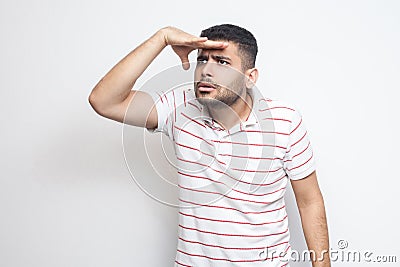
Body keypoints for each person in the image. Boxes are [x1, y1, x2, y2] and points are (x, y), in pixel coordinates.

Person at [88, 24, 331, 267]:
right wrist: (161, 38)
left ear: (250, 77)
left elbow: (310, 201)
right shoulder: (179, 106)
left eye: (222, 62)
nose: (206, 71)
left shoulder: (284, 121)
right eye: (202, 60)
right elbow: (104, 101)